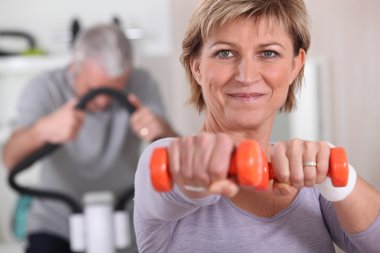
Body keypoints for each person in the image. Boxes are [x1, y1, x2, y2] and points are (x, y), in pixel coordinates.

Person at [133, 0, 380, 252]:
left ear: (295, 64)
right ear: (196, 66)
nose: (246, 76)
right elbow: (170, 186)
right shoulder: (163, 158)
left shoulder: (311, 181)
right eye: (225, 53)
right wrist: (198, 177)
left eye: (268, 53)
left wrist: (340, 177)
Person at [2, 23, 178, 253]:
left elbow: (176, 156)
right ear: (74, 66)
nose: (103, 101)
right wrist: (43, 130)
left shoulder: (141, 83)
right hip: (56, 221)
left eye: (116, 89)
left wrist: (161, 130)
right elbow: (9, 159)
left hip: (124, 216)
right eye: (93, 89)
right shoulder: (45, 87)